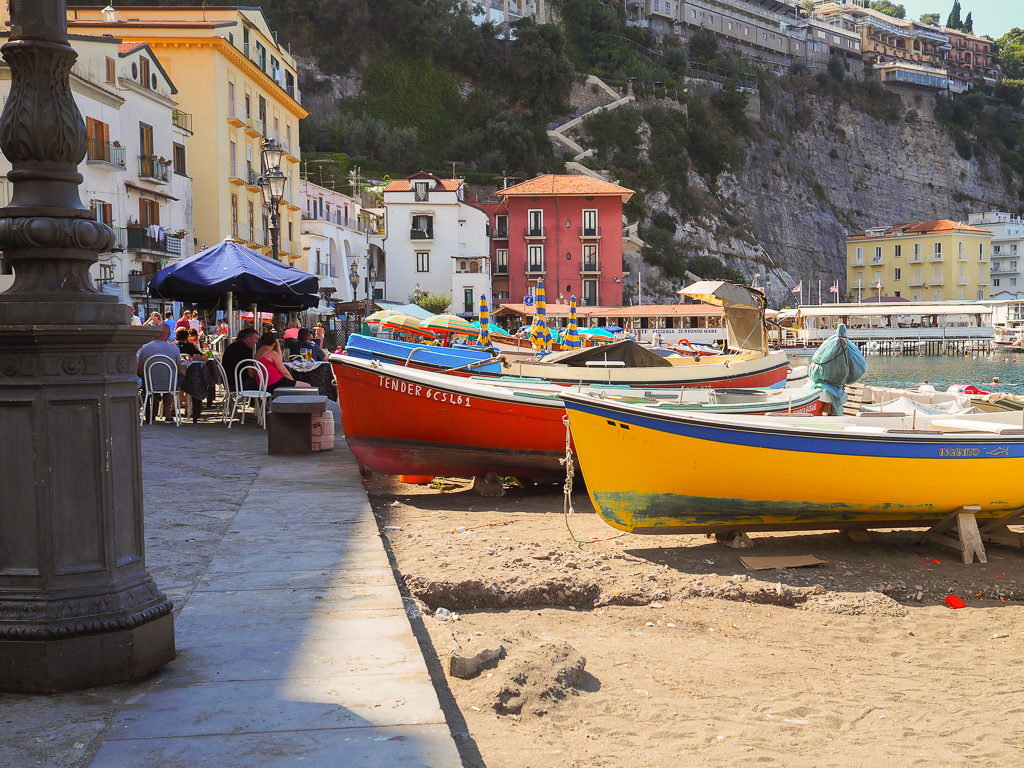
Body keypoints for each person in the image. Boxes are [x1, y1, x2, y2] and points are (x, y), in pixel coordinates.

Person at [137, 324, 180, 423]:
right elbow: (177, 368)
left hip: (149, 384)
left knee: (144, 383)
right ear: (168, 334)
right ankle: (168, 414)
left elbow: (140, 369)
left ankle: (147, 408)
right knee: (172, 380)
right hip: (168, 383)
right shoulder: (174, 348)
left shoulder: (145, 348)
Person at [222, 327, 260, 391]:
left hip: (228, 383)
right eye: (256, 339)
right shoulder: (246, 350)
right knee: (264, 382)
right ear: (248, 339)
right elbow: (251, 374)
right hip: (237, 385)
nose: (257, 342)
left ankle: (255, 401)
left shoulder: (232, 346)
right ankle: (261, 401)